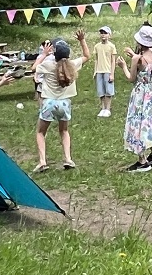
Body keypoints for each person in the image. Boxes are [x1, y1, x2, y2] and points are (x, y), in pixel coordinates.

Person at [32, 29, 91, 172]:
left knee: (40, 132)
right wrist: (82, 40)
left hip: (49, 103)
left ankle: (42, 162)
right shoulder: (72, 64)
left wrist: (44, 54)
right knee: (64, 131)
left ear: (54, 54)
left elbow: (34, 68)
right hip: (65, 103)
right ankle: (68, 159)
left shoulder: (48, 64)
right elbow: (86, 56)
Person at [117, 24, 152, 172]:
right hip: (151, 92)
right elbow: (144, 63)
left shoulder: (138, 58)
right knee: (149, 122)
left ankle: (142, 161)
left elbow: (131, 78)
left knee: (138, 123)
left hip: (140, 94)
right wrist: (134, 56)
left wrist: (123, 65)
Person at [92, 25, 118, 117]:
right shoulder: (97, 46)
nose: (103, 35)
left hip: (107, 71)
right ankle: (102, 108)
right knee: (101, 91)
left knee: (108, 90)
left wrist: (112, 74)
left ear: (109, 35)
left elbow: (113, 61)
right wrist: (95, 71)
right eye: (101, 33)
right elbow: (96, 59)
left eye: (105, 33)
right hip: (99, 71)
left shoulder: (111, 46)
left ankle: (108, 108)